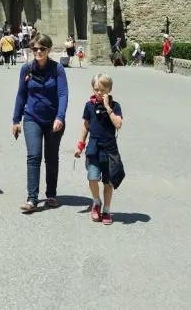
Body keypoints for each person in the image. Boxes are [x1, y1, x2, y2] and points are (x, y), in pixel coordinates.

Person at [12, 34, 68, 213]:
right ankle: (32, 198)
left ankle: (51, 194)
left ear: (49, 50)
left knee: (51, 158)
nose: (38, 52)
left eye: (42, 49)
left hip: (53, 120)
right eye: (34, 49)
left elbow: (63, 94)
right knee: (34, 156)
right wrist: (16, 120)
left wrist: (60, 117)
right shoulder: (26, 69)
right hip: (32, 118)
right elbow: (21, 95)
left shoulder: (57, 69)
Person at [74, 74, 124, 224]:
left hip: (109, 149)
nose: (99, 93)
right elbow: (86, 126)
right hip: (94, 148)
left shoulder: (115, 106)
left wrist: (108, 107)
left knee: (108, 183)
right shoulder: (89, 105)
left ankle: (107, 211)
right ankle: (96, 202)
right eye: (96, 89)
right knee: (92, 177)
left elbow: (118, 124)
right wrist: (80, 146)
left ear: (109, 89)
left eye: (103, 90)